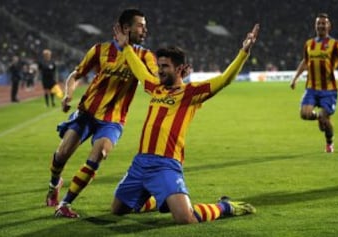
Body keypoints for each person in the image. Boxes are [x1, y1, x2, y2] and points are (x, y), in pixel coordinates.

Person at [110, 23, 259, 224]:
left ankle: (225, 206)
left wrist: (244, 52)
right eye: (159, 65)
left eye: (165, 66)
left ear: (179, 69)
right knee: (118, 210)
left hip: (165, 164)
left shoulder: (191, 94)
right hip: (140, 162)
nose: (159, 71)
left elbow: (224, 79)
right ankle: (161, 198)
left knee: (186, 218)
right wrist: (126, 47)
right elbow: (138, 69)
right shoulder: (155, 87)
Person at [46, 9, 158, 218]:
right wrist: (68, 95)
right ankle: (54, 184)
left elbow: (154, 82)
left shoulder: (145, 56)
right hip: (87, 113)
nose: (145, 29)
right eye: (141, 25)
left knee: (100, 153)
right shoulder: (100, 50)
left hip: (113, 120)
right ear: (126, 28)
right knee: (62, 153)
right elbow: (75, 74)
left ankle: (65, 204)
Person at [290, 13, 338, 153]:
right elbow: (305, 62)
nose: (321, 26)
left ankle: (329, 142)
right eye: (319, 23)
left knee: (325, 118)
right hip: (311, 88)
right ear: (315, 26)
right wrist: (295, 78)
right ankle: (318, 117)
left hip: (329, 90)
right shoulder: (309, 44)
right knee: (304, 114)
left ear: (329, 26)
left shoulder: (335, 44)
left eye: (324, 23)